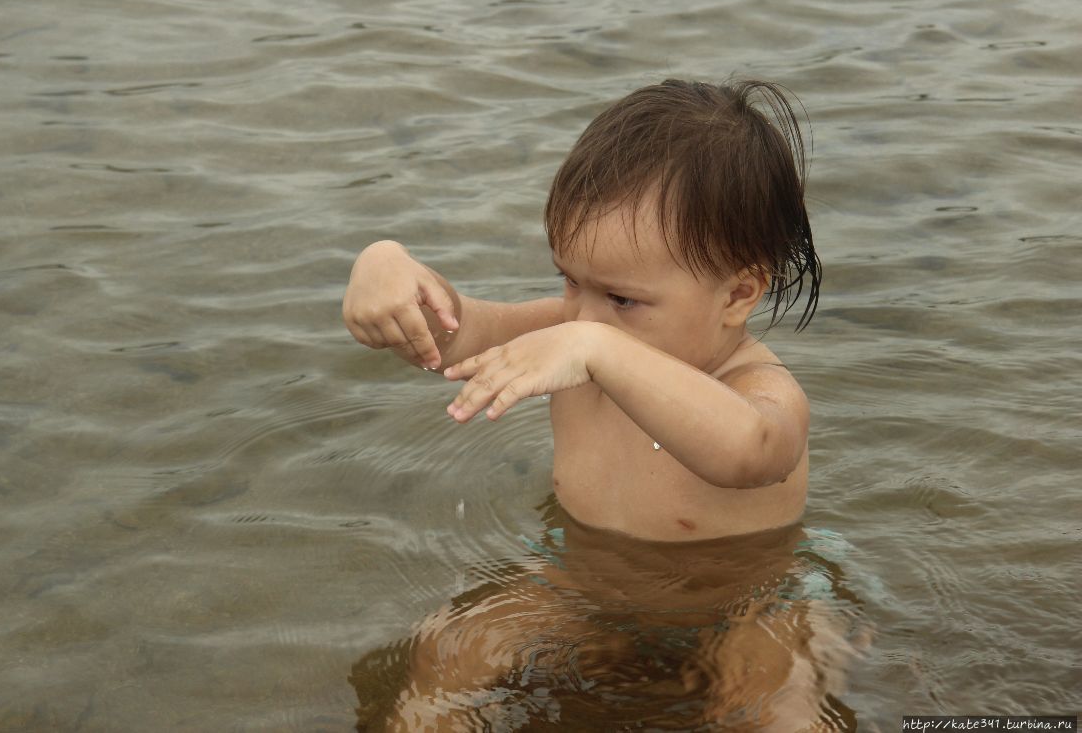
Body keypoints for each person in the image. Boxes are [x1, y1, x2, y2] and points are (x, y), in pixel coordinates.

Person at [343, 79, 858, 730]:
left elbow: (750, 450)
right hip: (579, 583)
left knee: (784, 709)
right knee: (447, 650)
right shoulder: (577, 335)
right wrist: (384, 266)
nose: (582, 314)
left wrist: (596, 347)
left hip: (747, 602)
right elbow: (452, 335)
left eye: (621, 299)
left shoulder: (759, 387)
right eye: (569, 279)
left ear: (738, 294)